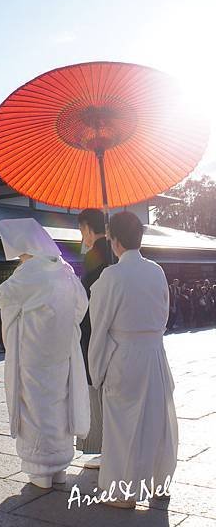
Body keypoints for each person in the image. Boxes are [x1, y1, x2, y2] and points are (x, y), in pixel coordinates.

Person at [89, 211, 178, 509]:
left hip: (124, 356)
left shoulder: (111, 276)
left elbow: (99, 327)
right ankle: (159, 481)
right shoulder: (156, 271)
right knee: (156, 421)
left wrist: (96, 370)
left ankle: (122, 493)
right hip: (154, 353)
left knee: (122, 426)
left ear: (114, 241)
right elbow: (164, 315)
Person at [0, 218, 90, 489]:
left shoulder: (28, 271)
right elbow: (80, 306)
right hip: (61, 350)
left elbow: (4, 296)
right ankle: (59, 466)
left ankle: (40, 469)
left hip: (33, 351)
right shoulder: (65, 269)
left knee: (36, 408)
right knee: (59, 404)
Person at [76, 208, 108, 464]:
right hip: (114, 334)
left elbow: (87, 297)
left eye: (81, 231)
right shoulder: (113, 251)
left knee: (98, 390)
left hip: (95, 333)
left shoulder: (95, 255)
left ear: (87, 228)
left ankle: (105, 448)